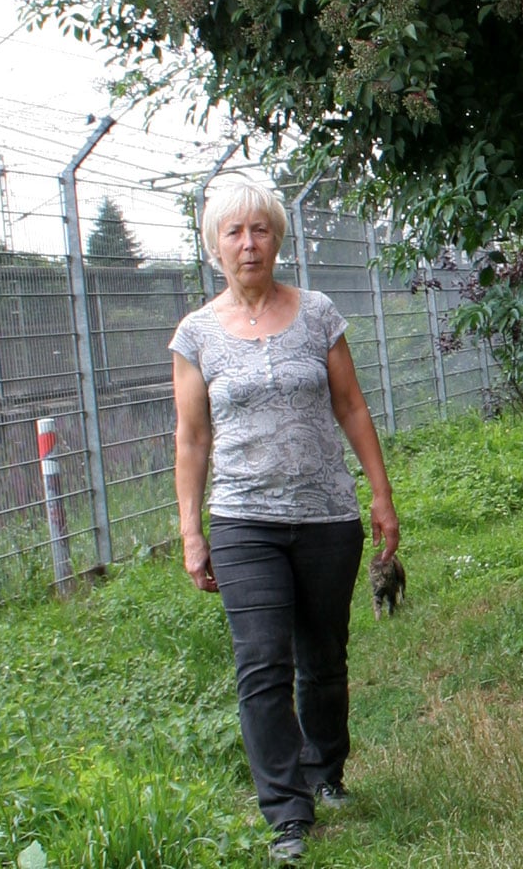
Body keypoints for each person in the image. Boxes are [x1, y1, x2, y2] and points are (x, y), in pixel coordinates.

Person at [170, 179, 399, 862]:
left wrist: (381, 496)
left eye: (261, 230)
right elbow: (190, 439)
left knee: (323, 657)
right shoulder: (195, 335)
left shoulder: (319, 314)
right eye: (235, 233)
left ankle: (324, 772)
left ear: (277, 238)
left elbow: (352, 405)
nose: (249, 244)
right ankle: (286, 814)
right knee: (262, 662)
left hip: (327, 514)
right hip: (244, 522)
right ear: (215, 247)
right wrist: (191, 531)